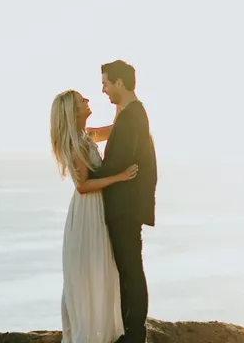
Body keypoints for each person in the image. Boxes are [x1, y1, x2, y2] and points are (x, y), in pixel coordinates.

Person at [50, 89, 139, 343]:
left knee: (101, 267)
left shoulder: (86, 135)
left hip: (95, 207)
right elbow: (83, 186)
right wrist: (119, 177)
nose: (87, 101)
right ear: (73, 111)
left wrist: (121, 98)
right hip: (88, 210)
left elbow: (114, 129)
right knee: (93, 268)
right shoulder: (77, 144)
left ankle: (101, 328)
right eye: (82, 101)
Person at [88, 60, 157, 343]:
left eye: (105, 83)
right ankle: (130, 329)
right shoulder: (129, 113)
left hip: (126, 206)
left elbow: (118, 162)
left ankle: (135, 333)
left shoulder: (132, 117)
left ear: (119, 82)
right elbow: (111, 134)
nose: (103, 90)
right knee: (128, 268)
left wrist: (85, 177)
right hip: (128, 204)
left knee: (130, 268)